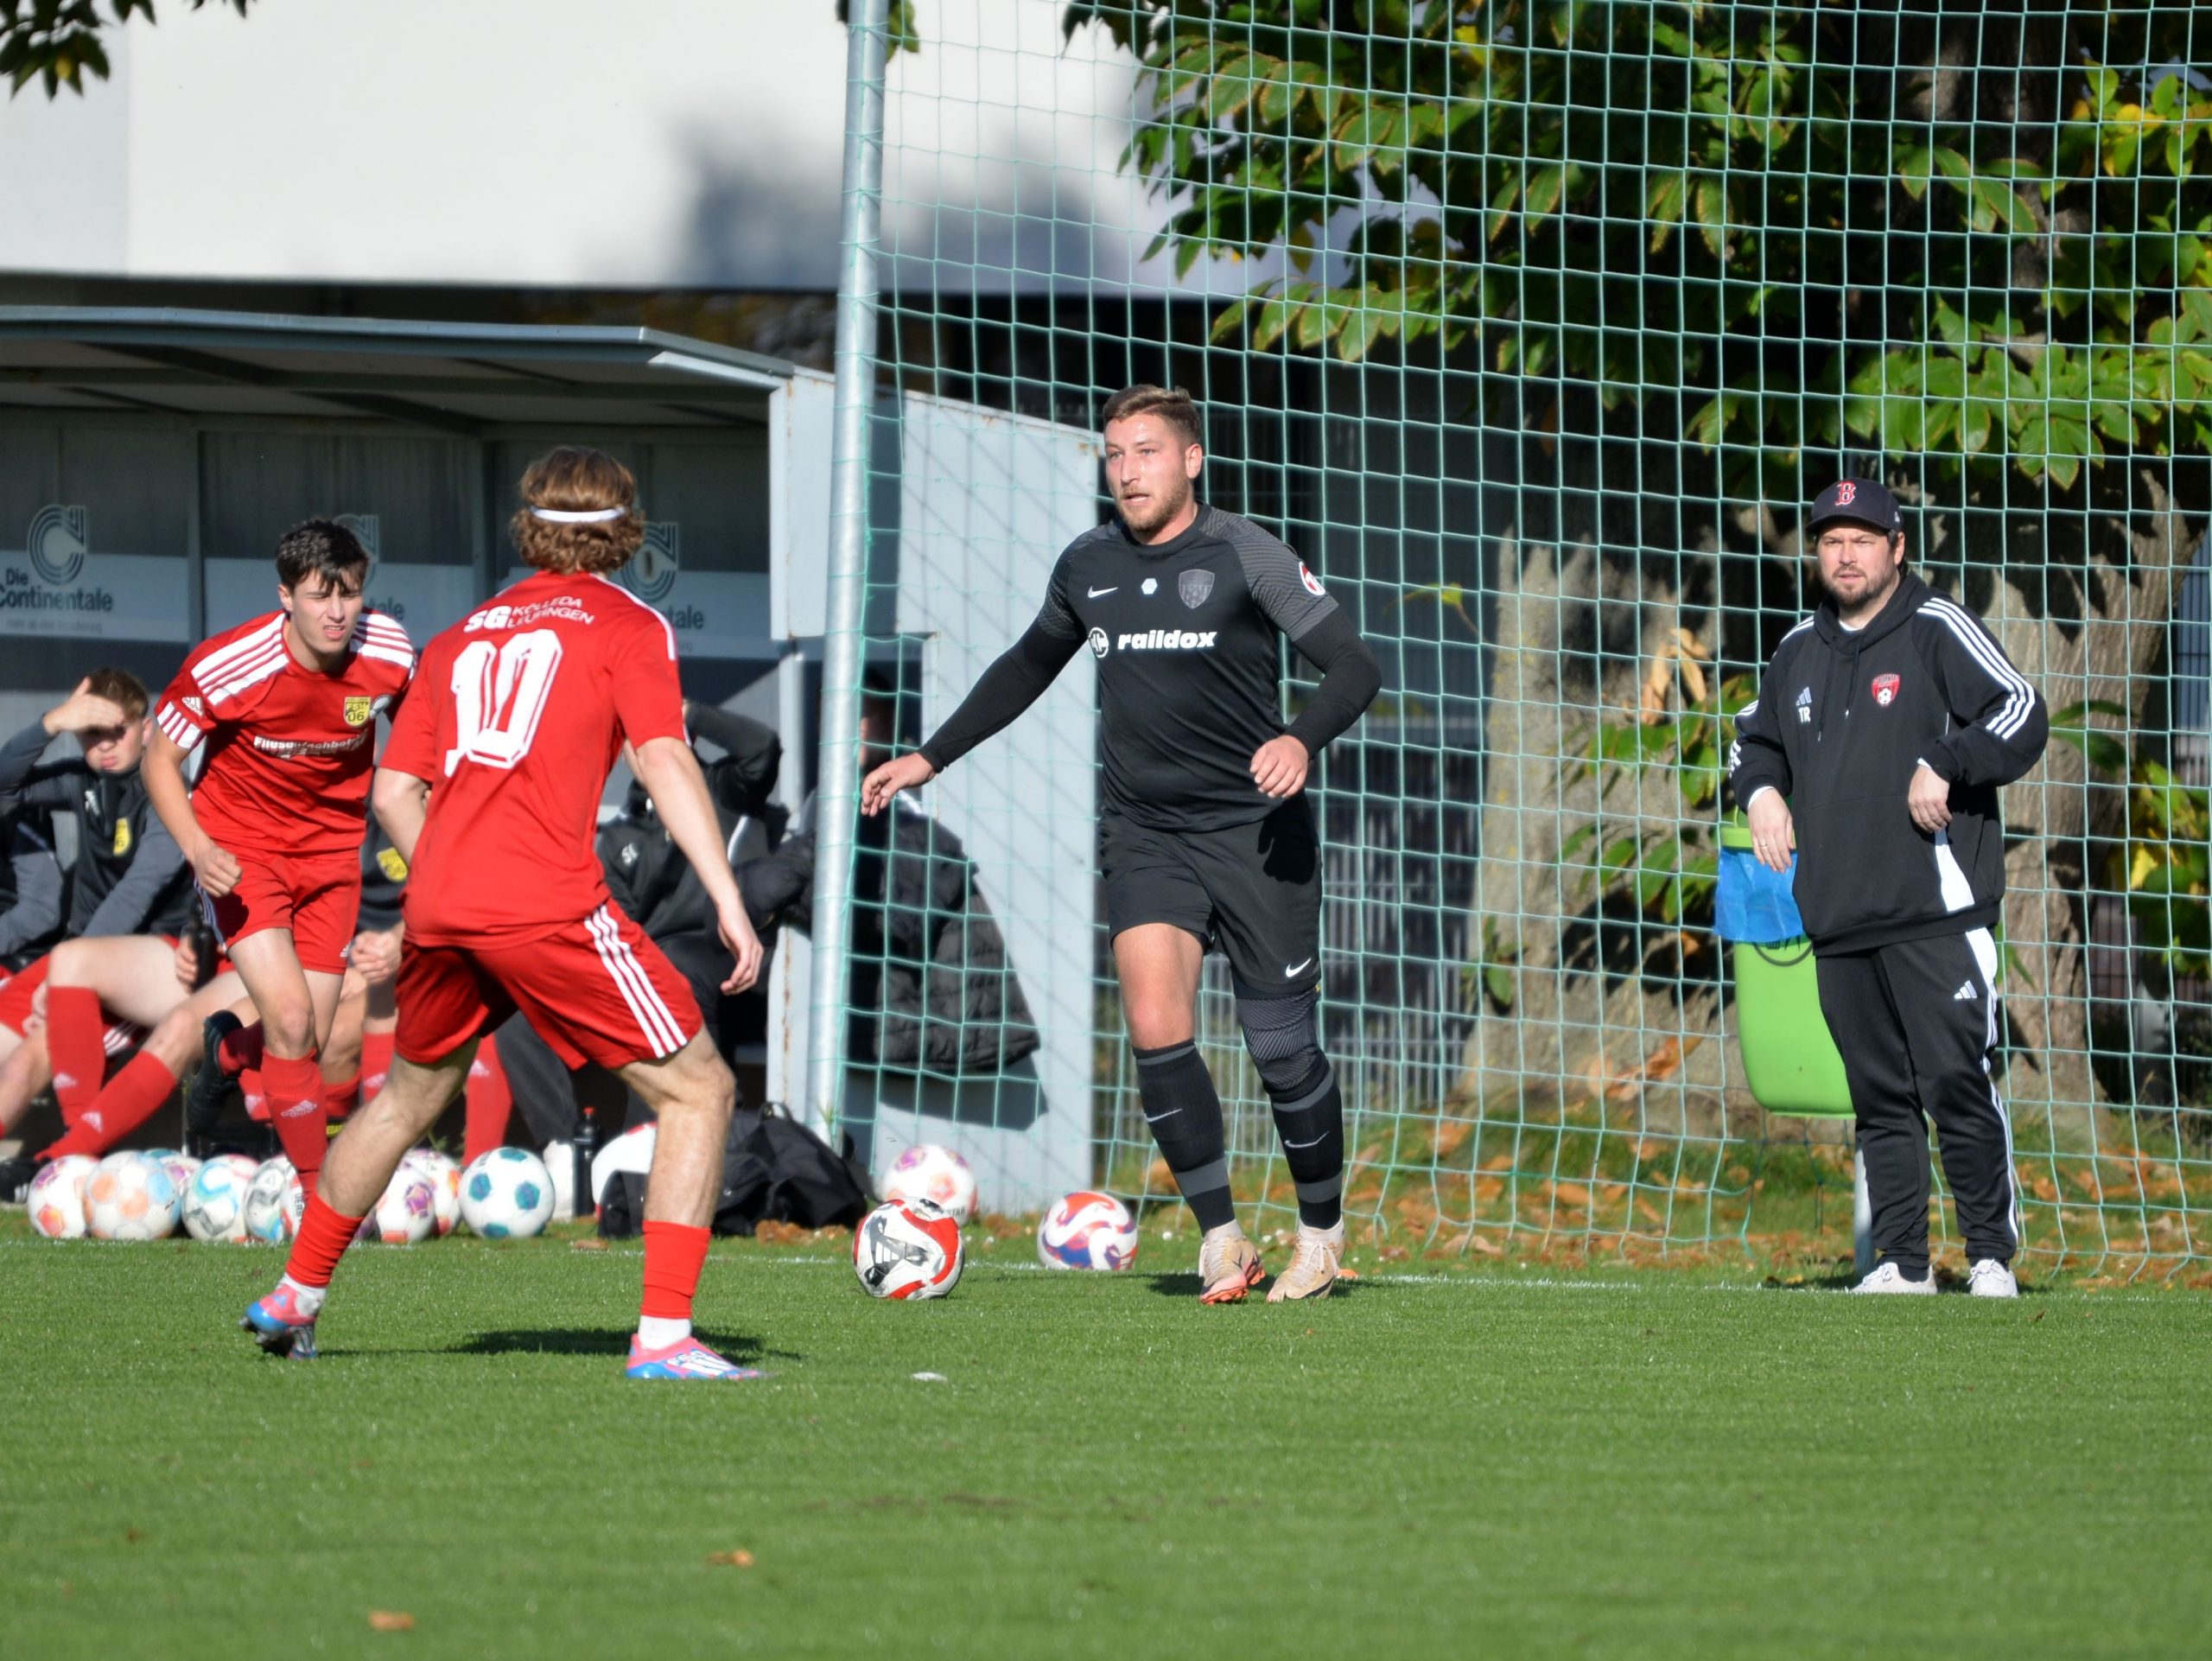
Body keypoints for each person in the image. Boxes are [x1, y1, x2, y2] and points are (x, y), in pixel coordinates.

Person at [239, 445, 767, 1381]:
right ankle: (664, 1339)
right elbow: (662, 756)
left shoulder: (460, 635)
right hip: (544, 900)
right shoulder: (629, 622)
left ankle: (295, 1294)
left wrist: (455, 873)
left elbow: (394, 789)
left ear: (531, 525)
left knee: (406, 1098)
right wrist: (728, 894)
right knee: (701, 1091)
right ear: (624, 530)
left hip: (442, 904)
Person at [862, 384, 1381, 1302]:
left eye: (1147, 451)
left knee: (1279, 1048)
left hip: (1256, 835)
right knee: (1153, 1023)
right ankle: (1222, 1239)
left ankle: (1320, 1234)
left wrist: (1301, 739)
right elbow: (1027, 663)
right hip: (1146, 833)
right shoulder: (1088, 564)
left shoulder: (1245, 552)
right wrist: (930, 754)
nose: (1128, 471)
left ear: (1191, 459)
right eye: (1115, 454)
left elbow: (1353, 664)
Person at [1729, 477, 2049, 1297]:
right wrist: (1761, 794)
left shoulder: (1937, 627)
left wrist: (1947, 760)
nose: (1846, 555)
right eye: (1831, 541)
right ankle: (1903, 1264)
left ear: (1897, 548)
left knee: (1955, 1083)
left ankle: (1990, 1256)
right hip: (1840, 916)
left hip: (1934, 910)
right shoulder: (1796, 649)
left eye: (1863, 540)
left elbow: (2021, 709)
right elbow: (1753, 744)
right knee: (1878, 1098)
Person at [140, 518, 416, 1196]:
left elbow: (420, 753)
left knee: (305, 1040)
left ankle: (231, 1049)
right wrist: (199, 847)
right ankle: (320, 1200)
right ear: (286, 595)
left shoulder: (389, 652)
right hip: (242, 853)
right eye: (320, 595)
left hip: (332, 857)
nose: (337, 612)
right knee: (291, 1022)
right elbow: (158, 760)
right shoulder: (229, 664)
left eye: (350, 593)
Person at [745, 677, 1039, 1077]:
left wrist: (798, 876)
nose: (847, 725)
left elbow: (901, 914)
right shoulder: (820, 801)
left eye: (863, 713)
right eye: (832, 713)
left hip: (932, 1025)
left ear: (890, 719)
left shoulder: (911, 799)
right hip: (845, 1024)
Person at [0, 671, 199, 1196]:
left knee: (28, 1060)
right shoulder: (80, 779)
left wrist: (69, 970)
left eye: (118, 732)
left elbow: (141, 887)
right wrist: (52, 723)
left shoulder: (166, 786)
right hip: (79, 961)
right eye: (92, 734)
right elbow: (4, 785)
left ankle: (72, 1162)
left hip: (155, 964)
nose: (106, 747)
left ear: (147, 730)